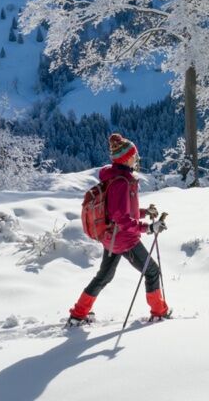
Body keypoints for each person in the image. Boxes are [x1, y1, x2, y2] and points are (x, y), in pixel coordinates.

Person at [68, 133, 170, 325]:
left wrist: (143, 211)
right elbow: (121, 218)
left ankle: (78, 314)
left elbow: (120, 210)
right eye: (134, 156)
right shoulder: (122, 183)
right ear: (126, 158)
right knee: (152, 271)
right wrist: (149, 228)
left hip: (111, 237)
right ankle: (159, 312)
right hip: (124, 239)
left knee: (104, 276)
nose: (136, 159)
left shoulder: (116, 177)